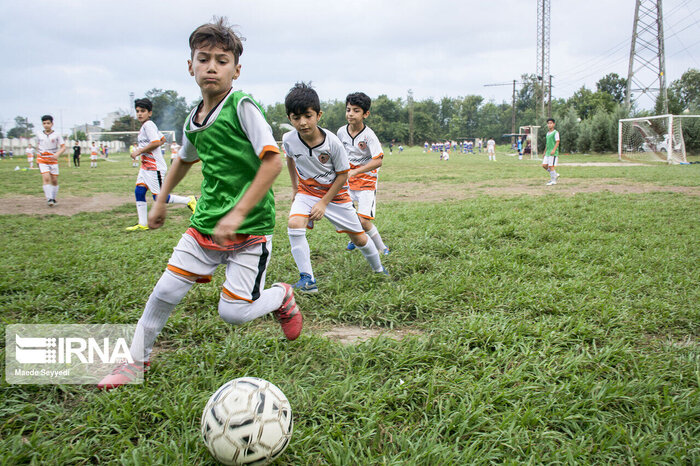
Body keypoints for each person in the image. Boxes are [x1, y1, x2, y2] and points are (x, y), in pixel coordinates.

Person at [98, 17, 302, 391]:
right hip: (205, 224)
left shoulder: (243, 106)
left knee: (233, 313)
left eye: (221, 60)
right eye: (203, 58)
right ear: (190, 66)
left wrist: (238, 213)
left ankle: (280, 296)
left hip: (250, 230)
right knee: (163, 293)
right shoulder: (194, 119)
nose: (212, 66)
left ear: (236, 69)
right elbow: (183, 160)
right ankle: (133, 364)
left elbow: (272, 160)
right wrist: (160, 201)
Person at [283, 83, 387, 293]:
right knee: (294, 223)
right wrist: (295, 189)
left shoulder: (333, 143)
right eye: (296, 117)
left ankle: (378, 269)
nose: (302, 123)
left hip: (337, 195)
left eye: (308, 116)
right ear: (289, 118)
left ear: (318, 115)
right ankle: (308, 279)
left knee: (358, 237)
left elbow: (342, 175)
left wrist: (324, 202)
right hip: (307, 191)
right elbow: (290, 159)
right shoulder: (289, 139)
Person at [127, 97, 197, 231]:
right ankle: (142, 223)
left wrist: (138, 151)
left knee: (159, 198)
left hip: (154, 167)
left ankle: (189, 200)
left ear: (150, 113)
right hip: (145, 167)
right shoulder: (146, 127)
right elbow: (162, 139)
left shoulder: (148, 125)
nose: (140, 114)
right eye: (137, 111)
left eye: (143, 111)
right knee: (139, 191)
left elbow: (155, 142)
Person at [337, 92, 390, 256]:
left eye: (356, 110)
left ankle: (382, 248)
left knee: (364, 221)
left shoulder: (369, 136)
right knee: (348, 217)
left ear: (366, 114)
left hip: (366, 182)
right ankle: (355, 239)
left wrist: (356, 171)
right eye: (348, 109)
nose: (350, 114)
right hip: (348, 182)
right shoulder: (341, 132)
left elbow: (378, 160)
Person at [36, 115, 65, 207]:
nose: (46, 125)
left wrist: (57, 154)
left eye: (48, 123)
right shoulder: (39, 134)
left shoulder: (57, 134)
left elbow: (63, 147)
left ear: (52, 124)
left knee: (54, 180)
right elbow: (38, 146)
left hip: (52, 160)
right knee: (46, 178)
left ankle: (53, 197)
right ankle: (49, 199)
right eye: (44, 123)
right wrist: (37, 157)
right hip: (42, 159)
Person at [543, 118, 560, 186]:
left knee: (551, 166)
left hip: (553, 153)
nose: (549, 125)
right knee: (544, 165)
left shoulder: (556, 132)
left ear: (554, 124)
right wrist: (544, 151)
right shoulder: (547, 133)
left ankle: (553, 180)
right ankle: (555, 174)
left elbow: (557, 142)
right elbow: (547, 143)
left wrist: (554, 150)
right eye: (548, 123)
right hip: (547, 152)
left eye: (551, 123)